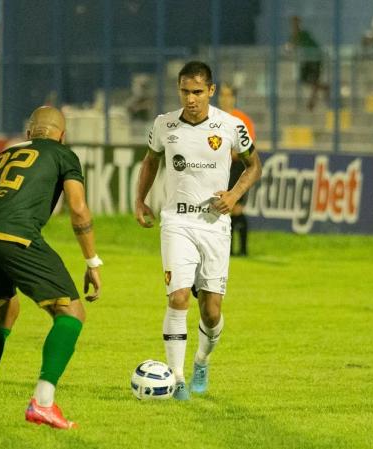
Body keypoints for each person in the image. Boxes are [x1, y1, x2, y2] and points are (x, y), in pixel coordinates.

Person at [0, 106, 102, 429]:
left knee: (3, 311)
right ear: (62, 136)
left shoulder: (0, 158)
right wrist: (92, 261)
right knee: (72, 312)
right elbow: (78, 208)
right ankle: (43, 402)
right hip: (15, 234)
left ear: (28, 134)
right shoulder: (63, 155)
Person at [135, 61, 262, 400]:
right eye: (184, 91)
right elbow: (150, 161)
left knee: (211, 310)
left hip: (214, 225)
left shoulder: (231, 126)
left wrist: (234, 195)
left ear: (210, 90)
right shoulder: (164, 124)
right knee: (177, 298)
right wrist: (140, 200)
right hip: (176, 221)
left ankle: (201, 361)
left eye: (196, 92)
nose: (190, 99)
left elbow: (254, 165)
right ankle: (176, 380)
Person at [217, 83, 257, 256]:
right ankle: (231, 250)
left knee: (236, 208)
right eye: (223, 95)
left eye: (228, 95)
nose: (225, 98)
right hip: (221, 169)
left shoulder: (242, 119)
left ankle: (243, 249)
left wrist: (225, 152)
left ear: (233, 97)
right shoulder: (214, 118)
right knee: (227, 210)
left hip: (238, 167)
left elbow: (247, 148)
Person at [287, 15, 329, 111]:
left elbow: (297, 45)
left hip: (315, 59)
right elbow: (290, 47)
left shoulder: (304, 34)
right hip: (306, 61)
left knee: (314, 80)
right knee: (304, 80)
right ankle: (324, 88)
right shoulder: (293, 35)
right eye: (293, 23)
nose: (294, 25)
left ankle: (311, 103)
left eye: (296, 23)